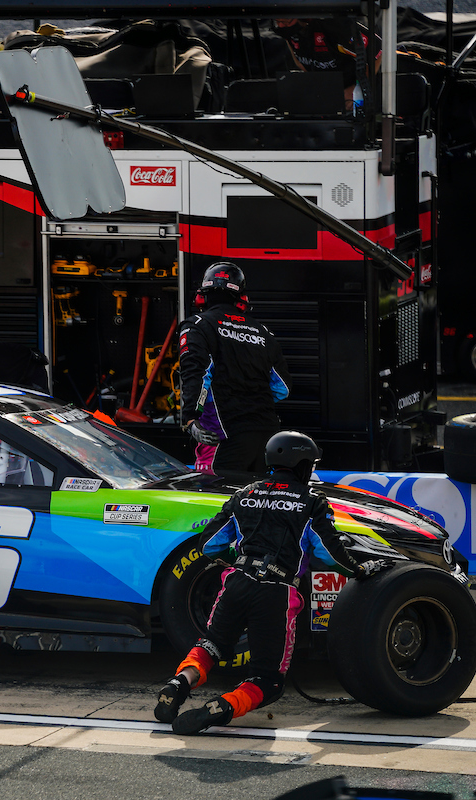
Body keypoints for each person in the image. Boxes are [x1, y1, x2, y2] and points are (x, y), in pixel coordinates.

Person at [154, 431, 388, 734]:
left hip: (236, 582)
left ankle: (178, 683)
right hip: (276, 593)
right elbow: (329, 555)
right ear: (302, 464)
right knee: (268, 681)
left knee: (211, 646)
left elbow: (209, 545)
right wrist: (359, 569)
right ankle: (221, 707)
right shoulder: (311, 502)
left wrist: (236, 558)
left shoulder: (244, 494)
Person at [178, 262, 291, 475]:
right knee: (256, 495)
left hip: (222, 434)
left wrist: (190, 418)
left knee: (214, 494)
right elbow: (282, 388)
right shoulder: (262, 331)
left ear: (202, 296)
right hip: (266, 434)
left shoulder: (198, 325)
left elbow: (197, 373)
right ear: (241, 298)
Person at [273, 18, 382, 111]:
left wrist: (357, 88)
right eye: (278, 21)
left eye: (286, 21)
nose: (281, 25)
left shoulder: (335, 27)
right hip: (328, 98)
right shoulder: (289, 32)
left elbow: (379, 51)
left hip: (359, 95)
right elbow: (300, 63)